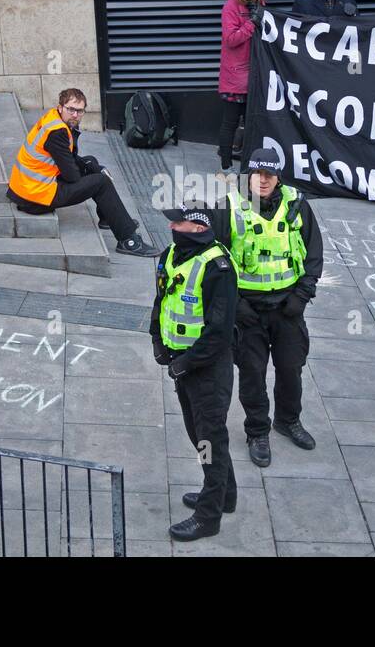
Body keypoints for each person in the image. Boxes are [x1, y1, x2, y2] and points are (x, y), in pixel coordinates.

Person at [213, 148, 323, 467]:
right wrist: (236, 305)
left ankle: (288, 421)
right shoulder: (229, 207)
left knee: (291, 368)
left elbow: (313, 254)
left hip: (288, 308)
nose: (263, 181)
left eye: (269, 175)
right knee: (253, 374)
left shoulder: (297, 204)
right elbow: (216, 262)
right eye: (257, 174)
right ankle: (257, 430)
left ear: (278, 177)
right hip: (248, 312)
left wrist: (301, 297)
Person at [151, 204, 239, 541]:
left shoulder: (218, 268)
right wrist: (157, 340)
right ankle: (224, 495)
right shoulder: (170, 254)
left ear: (199, 228)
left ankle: (208, 517)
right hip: (182, 364)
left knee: (208, 440)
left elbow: (219, 331)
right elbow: (161, 300)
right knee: (197, 434)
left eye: (180, 222)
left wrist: (185, 363)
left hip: (207, 369)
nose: (173, 225)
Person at [7, 89, 158, 257]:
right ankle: (128, 241)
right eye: (70, 109)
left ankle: (109, 217)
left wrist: (90, 166)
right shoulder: (57, 133)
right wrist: (91, 171)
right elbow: (72, 176)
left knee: (91, 162)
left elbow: (68, 159)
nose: (75, 115)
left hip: (26, 189)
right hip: (35, 198)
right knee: (101, 182)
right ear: (60, 107)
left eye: (79, 111)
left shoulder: (53, 119)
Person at [218, 0, 265, 171]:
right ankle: (226, 166)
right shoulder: (231, 7)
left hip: (254, 75)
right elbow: (231, 39)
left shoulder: (259, 5)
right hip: (235, 76)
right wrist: (251, 24)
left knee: (252, 124)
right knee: (230, 122)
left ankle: (249, 166)